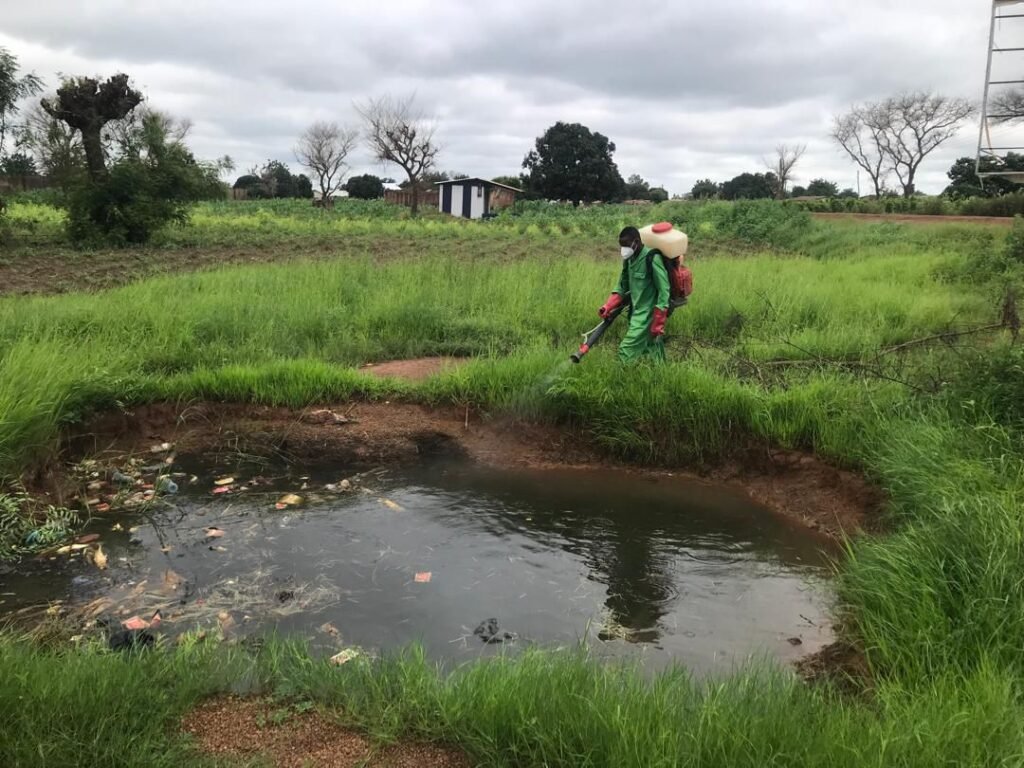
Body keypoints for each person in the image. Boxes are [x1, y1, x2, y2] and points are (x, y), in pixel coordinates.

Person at [597, 226, 671, 362]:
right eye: (621, 246)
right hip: (635, 311)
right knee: (652, 347)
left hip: (648, 314)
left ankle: (620, 379)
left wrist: (659, 319)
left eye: (625, 245)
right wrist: (608, 306)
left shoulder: (652, 258)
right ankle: (660, 373)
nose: (623, 250)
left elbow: (664, 289)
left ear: (636, 242)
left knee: (626, 350)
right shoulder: (629, 259)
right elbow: (622, 285)